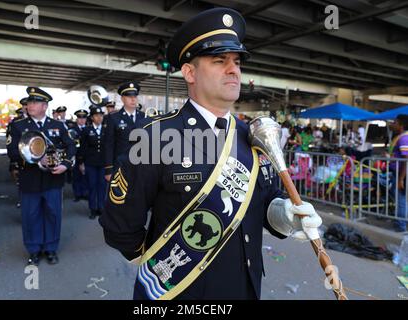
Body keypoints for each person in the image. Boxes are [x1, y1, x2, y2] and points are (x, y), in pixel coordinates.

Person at [99, 8, 322, 300]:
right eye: (220, 61)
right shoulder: (155, 137)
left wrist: (285, 215)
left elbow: (264, 200)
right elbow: (120, 225)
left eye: (237, 61)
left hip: (246, 286)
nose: (234, 69)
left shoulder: (254, 136)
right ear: (190, 72)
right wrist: (161, 268)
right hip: (182, 292)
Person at [6, 87, 76, 265]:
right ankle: (34, 249)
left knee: (53, 214)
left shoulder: (58, 125)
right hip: (30, 179)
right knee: (31, 215)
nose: (30, 105)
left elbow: (71, 147)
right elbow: (12, 152)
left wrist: (65, 165)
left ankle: (51, 249)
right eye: (29, 102)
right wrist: (37, 159)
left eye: (34, 102)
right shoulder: (18, 126)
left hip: (53, 179)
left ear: (44, 106)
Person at [103, 82, 145, 182]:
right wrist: (108, 170)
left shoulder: (144, 116)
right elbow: (109, 145)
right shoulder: (113, 118)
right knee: (121, 196)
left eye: (135, 96)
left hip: (142, 166)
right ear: (122, 99)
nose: (133, 99)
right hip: (121, 166)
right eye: (129, 96)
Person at [78, 107, 107, 219]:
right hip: (90, 163)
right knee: (92, 186)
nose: (99, 118)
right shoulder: (86, 130)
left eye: (101, 115)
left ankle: (101, 207)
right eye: (96, 115)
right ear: (92, 117)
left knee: (102, 186)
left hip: (103, 163)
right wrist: (81, 162)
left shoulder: (106, 130)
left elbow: (108, 148)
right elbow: (83, 148)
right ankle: (93, 209)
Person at [388, 114, 408, 232]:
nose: (392, 124)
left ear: (401, 125)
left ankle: (401, 226)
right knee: (400, 198)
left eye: (394, 122)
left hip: (401, 173)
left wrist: (401, 178)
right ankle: (400, 221)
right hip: (399, 173)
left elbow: (406, 159)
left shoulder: (404, 138)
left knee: (401, 200)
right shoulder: (401, 137)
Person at [71, 109, 89, 202]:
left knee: (86, 175)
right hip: (76, 155)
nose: (82, 120)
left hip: (87, 156)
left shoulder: (89, 129)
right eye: (80, 118)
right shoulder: (72, 130)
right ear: (77, 119)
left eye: (84, 118)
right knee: (76, 175)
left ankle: (85, 193)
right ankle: (77, 194)